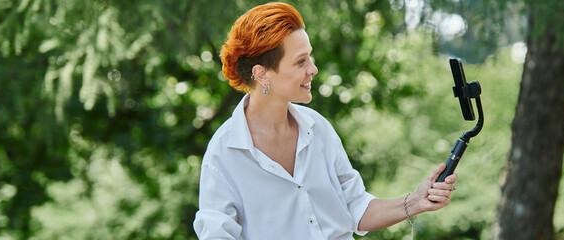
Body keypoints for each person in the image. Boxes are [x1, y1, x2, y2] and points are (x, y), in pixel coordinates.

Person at [193, 3, 458, 239]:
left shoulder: (317, 128)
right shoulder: (224, 154)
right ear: (262, 74)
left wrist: (414, 202)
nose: (313, 68)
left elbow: (355, 207)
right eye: (300, 61)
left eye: (310, 56)